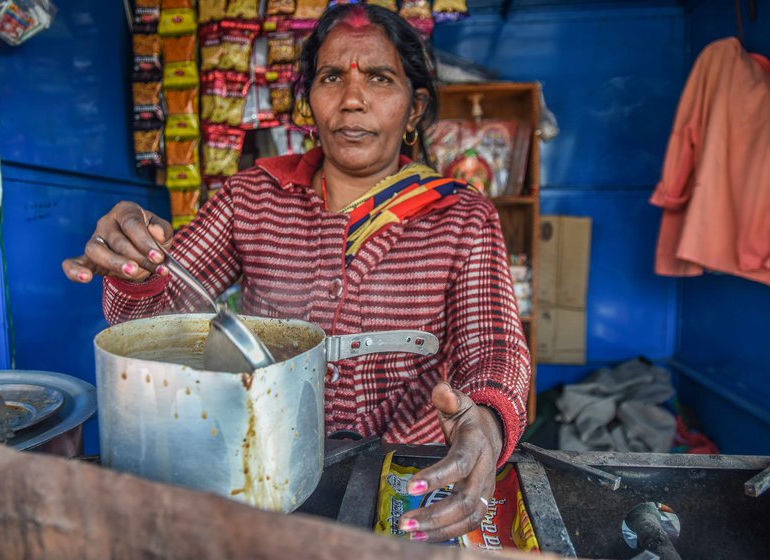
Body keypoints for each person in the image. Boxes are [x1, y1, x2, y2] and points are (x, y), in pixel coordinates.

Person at [63, 4, 530, 542]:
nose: (353, 99)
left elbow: (492, 343)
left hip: (409, 474)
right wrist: (137, 267)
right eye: (332, 77)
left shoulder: (462, 215)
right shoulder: (250, 197)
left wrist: (486, 420)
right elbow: (159, 321)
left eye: (379, 78)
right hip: (267, 468)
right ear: (309, 102)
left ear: (415, 106)